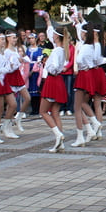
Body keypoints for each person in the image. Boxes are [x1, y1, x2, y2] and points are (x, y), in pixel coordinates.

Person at [42, 20, 70, 153]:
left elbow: (53, 68)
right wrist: (48, 21)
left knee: (43, 111)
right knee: (55, 112)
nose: (51, 36)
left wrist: (46, 64)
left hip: (52, 80)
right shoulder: (62, 49)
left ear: (57, 36)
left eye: (54, 34)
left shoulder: (57, 51)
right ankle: (61, 142)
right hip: (58, 81)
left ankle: (58, 135)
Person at [3, 31, 31, 132]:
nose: (15, 39)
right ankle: (7, 125)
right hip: (10, 77)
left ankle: (18, 118)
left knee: (27, 98)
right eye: (13, 37)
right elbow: (7, 66)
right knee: (11, 104)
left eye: (15, 38)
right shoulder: (6, 51)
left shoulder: (15, 49)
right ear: (8, 38)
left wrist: (21, 60)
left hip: (17, 76)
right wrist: (16, 64)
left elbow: (19, 60)